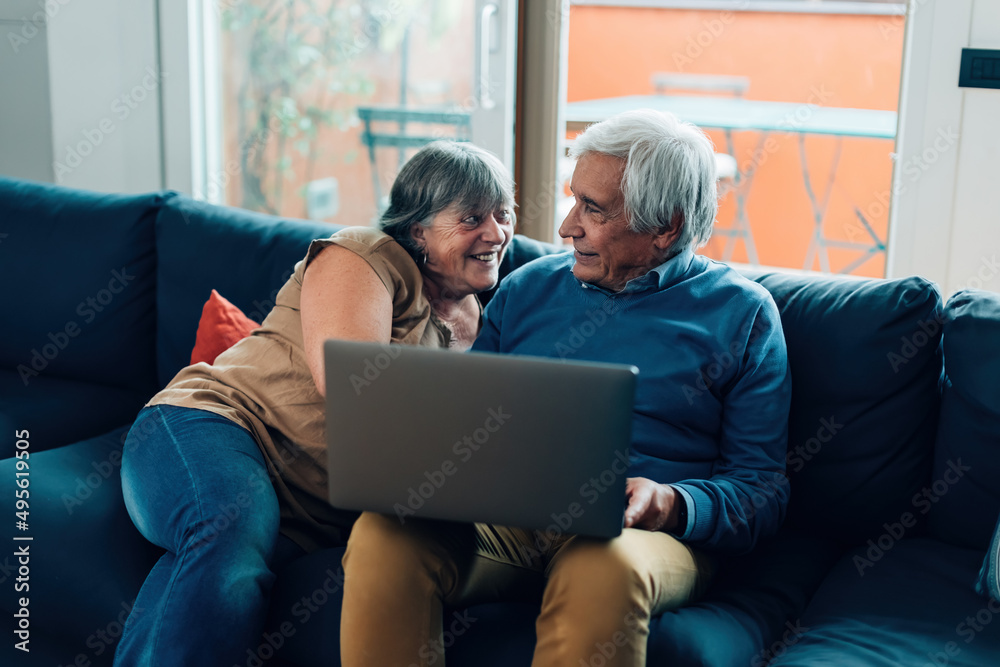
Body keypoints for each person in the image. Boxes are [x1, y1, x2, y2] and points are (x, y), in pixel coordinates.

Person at [339, 109, 792, 667]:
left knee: (603, 565)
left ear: (666, 227)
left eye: (593, 210)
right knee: (386, 535)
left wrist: (674, 504)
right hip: (511, 523)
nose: (566, 227)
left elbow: (761, 489)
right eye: (573, 200)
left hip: (641, 541)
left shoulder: (743, 315)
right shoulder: (527, 288)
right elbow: (463, 418)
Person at [113, 140, 516, 666]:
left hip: (310, 508)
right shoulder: (365, 256)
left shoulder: (478, 320)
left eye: (503, 214)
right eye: (471, 218)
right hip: (215, 427)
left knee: (212, 576)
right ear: (418, 228)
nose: (497, 233)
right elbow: (356, 391)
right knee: (228, 535)